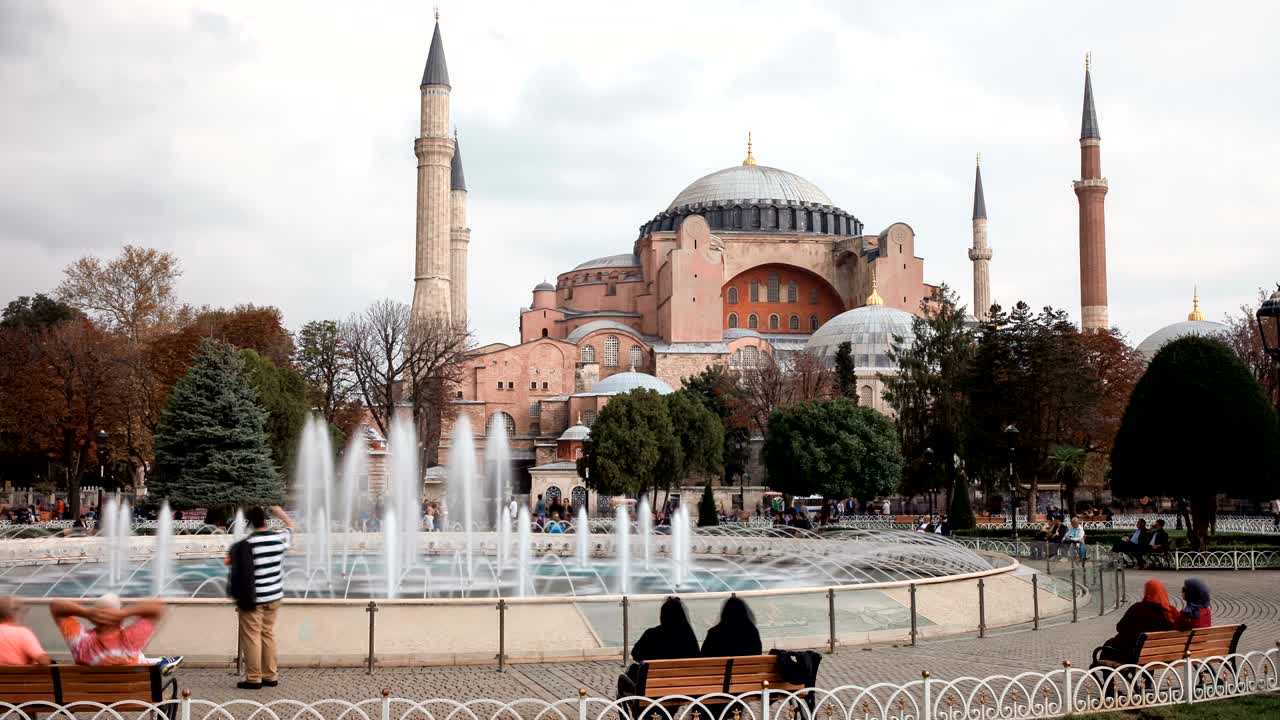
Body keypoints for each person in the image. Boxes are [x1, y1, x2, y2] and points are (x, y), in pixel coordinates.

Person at [232, 505, 295, 689]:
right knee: (268, 634)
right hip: (274, 596)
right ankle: (270, 675)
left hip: (253, 599)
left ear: (250, 524)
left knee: (252, 637)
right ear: (266, 521)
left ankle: (254, 678)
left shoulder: (247, 544)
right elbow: (292, 526)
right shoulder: (279, 539)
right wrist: (279, 511)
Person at [50, 594, 180, 670]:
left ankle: (157, 661)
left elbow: (55, 605)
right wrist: (124, 613)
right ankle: (160, 663)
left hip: (89, 697)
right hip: (132, 696)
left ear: (94, 619)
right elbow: (158, 606)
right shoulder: (130, 640)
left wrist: (86, 612)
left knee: (135, 657)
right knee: (136, 656)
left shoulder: (80, 643)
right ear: (119, 618)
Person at [1090, 580, 1177, 666]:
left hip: (1131, 655)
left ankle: (1109, 678)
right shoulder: (1169, 612)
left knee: (1109, 646)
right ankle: (1147, 679)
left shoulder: (1137, 608)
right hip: (1158, 655)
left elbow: (1120, 627)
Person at [631, 597, 699, 662]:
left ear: (663, 615)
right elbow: (697, 656)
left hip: (655, 673)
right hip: (685, 673)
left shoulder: (651, 634)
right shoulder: (689, 636)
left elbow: (635, 654)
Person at [0, 596, 50, 665]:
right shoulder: (22, 633)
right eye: (22, 611)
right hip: (17, 675)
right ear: (13, 613)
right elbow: (44, 661)